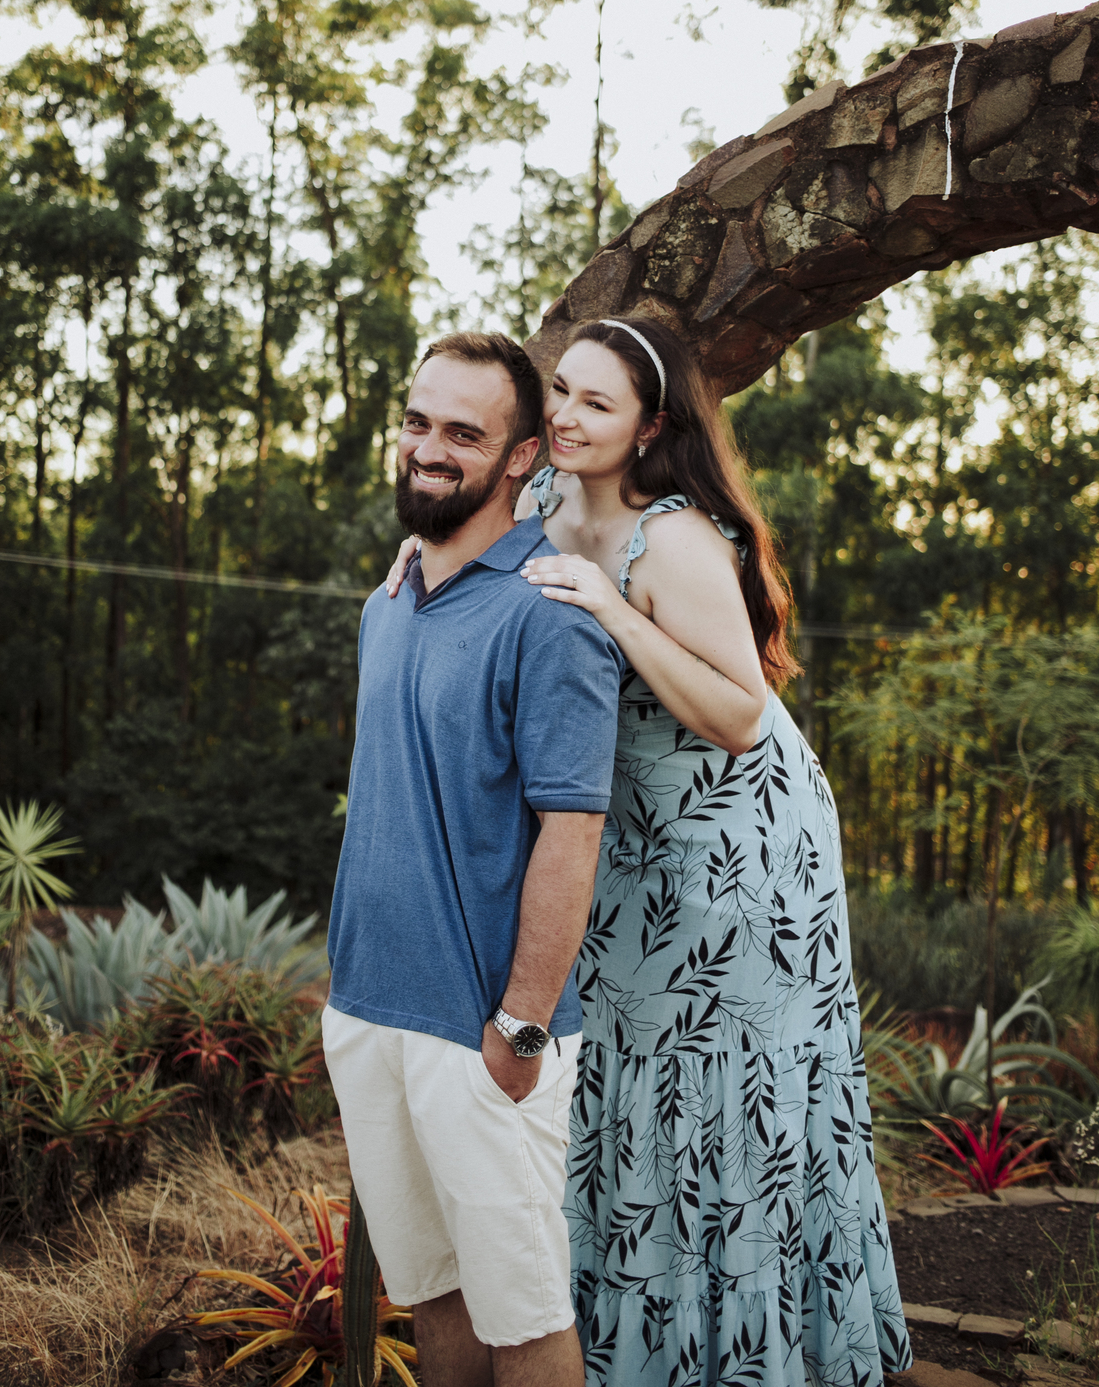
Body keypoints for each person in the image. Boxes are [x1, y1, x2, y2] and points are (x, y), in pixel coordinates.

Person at [387, 315, 911, 1387]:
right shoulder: (541, 496)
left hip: (737, 858)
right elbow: (477, 550)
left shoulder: (673, 539)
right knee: (625, 1098)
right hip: (623, 852)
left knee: (717, 1102)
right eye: (562, 392)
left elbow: (742, 716)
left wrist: (615, 610)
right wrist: (424, 550)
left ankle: (742, 1358)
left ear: (651, 427)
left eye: (598, 403)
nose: (567, 416)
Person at [324, 330, 624, 1387]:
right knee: (434, 1293)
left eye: (463, 433)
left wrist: (522, 1023)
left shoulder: (552, 616)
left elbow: (573, 833)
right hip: (369, 1011)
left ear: (522, 457)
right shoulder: (388, 602)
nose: (428, 448)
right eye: (417, 422)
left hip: (485, 1034)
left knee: (526, 1315)